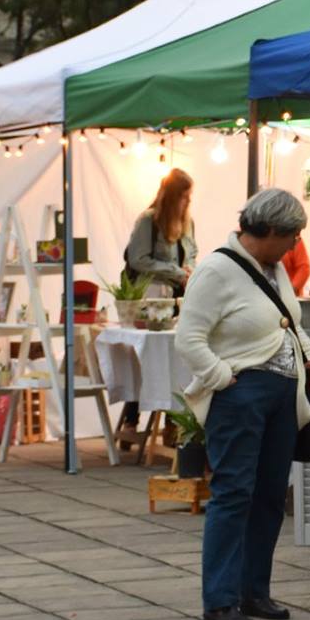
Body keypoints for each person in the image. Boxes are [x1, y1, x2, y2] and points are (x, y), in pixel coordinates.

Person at [177, 188, 310, 620]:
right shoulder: (216, 271)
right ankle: (220, 601)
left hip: (282, 394)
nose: (295, 246)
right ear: (269, 230)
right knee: (234, 494)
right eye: (293, 236)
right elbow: (188, 338)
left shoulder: (274, 268)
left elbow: (292, 322)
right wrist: (222, 377)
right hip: (241, 395)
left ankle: (253, 590)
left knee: (268, 496)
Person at [118, 169, 199, 448]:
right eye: (183, 197)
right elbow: (138, 259)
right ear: (172, 196)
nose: (187, 202)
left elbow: (193, 252)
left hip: (178, 297)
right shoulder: (148, 222)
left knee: (176, 357)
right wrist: (174, 270)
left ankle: (172, 423)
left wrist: (189, 271)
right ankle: (133, 419)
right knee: (150, 359)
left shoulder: (188, 223)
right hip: (152, 298)